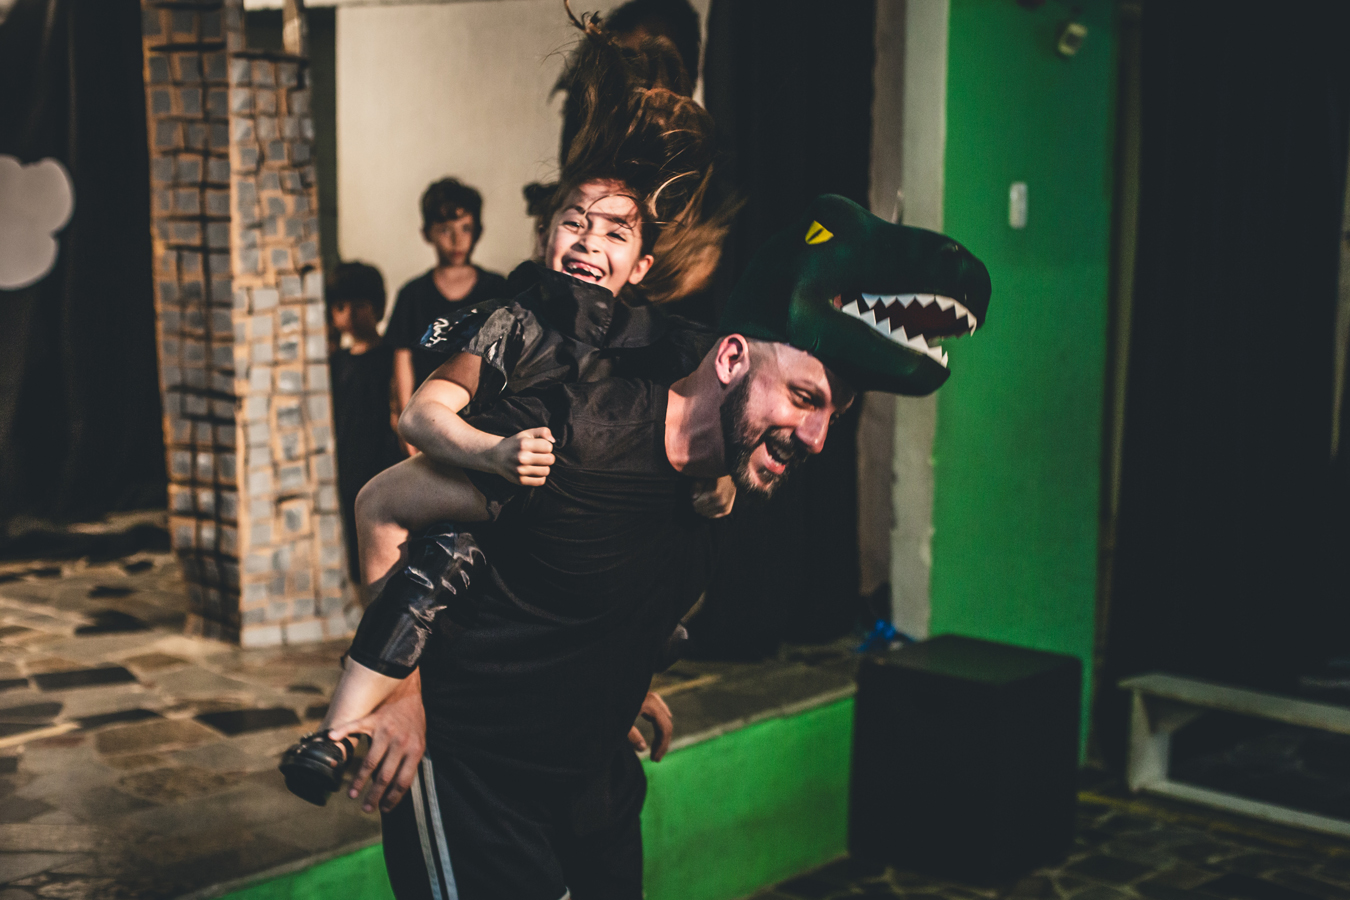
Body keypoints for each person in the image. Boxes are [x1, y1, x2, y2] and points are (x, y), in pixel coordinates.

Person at [316, 193, 992, 898]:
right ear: (731, 358)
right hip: (476, 780)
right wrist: (402, 694)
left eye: (834, 413)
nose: (817, 437)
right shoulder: (571, 440)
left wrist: (621, 677)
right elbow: (382, 505)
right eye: (803, 398)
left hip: (594, 782)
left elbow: (598, 579)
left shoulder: (716, 480)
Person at [278, 11, 735, 805]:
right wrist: (487, 454)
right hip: (487, 553)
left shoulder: (663, 348)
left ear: (642, 264)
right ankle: (356, 718)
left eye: (614, 233)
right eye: (574, 224)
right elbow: (411, 430)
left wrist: (622, 678)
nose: (589, 241)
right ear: (543, 234)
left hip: (577, 665)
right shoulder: (507, 319)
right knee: (417, 533)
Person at [385, 178, 509, 436]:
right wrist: (406, 417)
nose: (456, 240)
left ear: (478, 231)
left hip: (486, 420)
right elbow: (402, 359)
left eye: (466, 228)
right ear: (426, 233)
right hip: (427, 421)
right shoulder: (412, 294)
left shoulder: (498, 289)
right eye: (444, 230)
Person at [326, 262, 404, 587]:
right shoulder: (334, 363)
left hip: (385, 461)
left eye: (359, 305)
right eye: (340, 307)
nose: (350, 315)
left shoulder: (393, 356)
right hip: (347, 465)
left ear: (378, 307)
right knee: (355, 556)